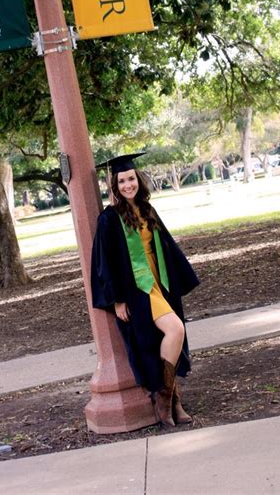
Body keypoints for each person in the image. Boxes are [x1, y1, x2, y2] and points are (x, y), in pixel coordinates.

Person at [91, 153, 200, 427]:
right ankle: (167, 397)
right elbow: (106, 261)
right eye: (122, 181)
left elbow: (165, 245)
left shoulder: (147, 210)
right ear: (114, 186)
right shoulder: (109, 218)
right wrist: (116, 300)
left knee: (173, 335)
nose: (128, 185)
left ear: (137, 179)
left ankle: (171, 398)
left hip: (160, 282)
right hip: (139, 290)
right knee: (175, 330)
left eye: (131, 179)